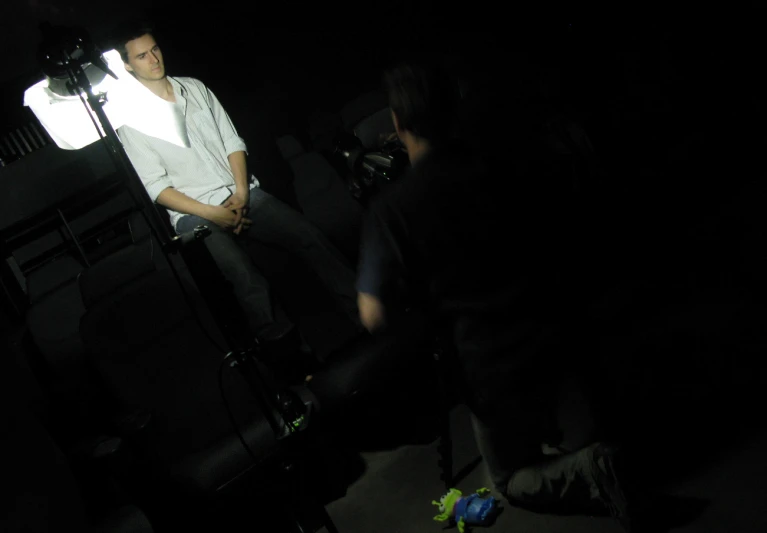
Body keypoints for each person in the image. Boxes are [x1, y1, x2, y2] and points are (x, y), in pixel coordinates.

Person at [355, 58, 645, 531]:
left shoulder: (391, 209)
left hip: (489, 366)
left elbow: (373, 314)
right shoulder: (504, 165)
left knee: (509, 480)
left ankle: (591, 466)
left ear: (397, 123)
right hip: (561, 333)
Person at [111, 22, 361, 359]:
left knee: (308, 234)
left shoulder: (194, 88)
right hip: (193, 213)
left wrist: (242, 194)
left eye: (154, 49)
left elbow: (232, 141)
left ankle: (365, 313)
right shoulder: (131, 121)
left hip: (240, 192)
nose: (153, 59)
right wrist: (215, 214)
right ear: (128, 66)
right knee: (243, 275)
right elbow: (156, 188)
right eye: (142, 55)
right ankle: (292, 359)